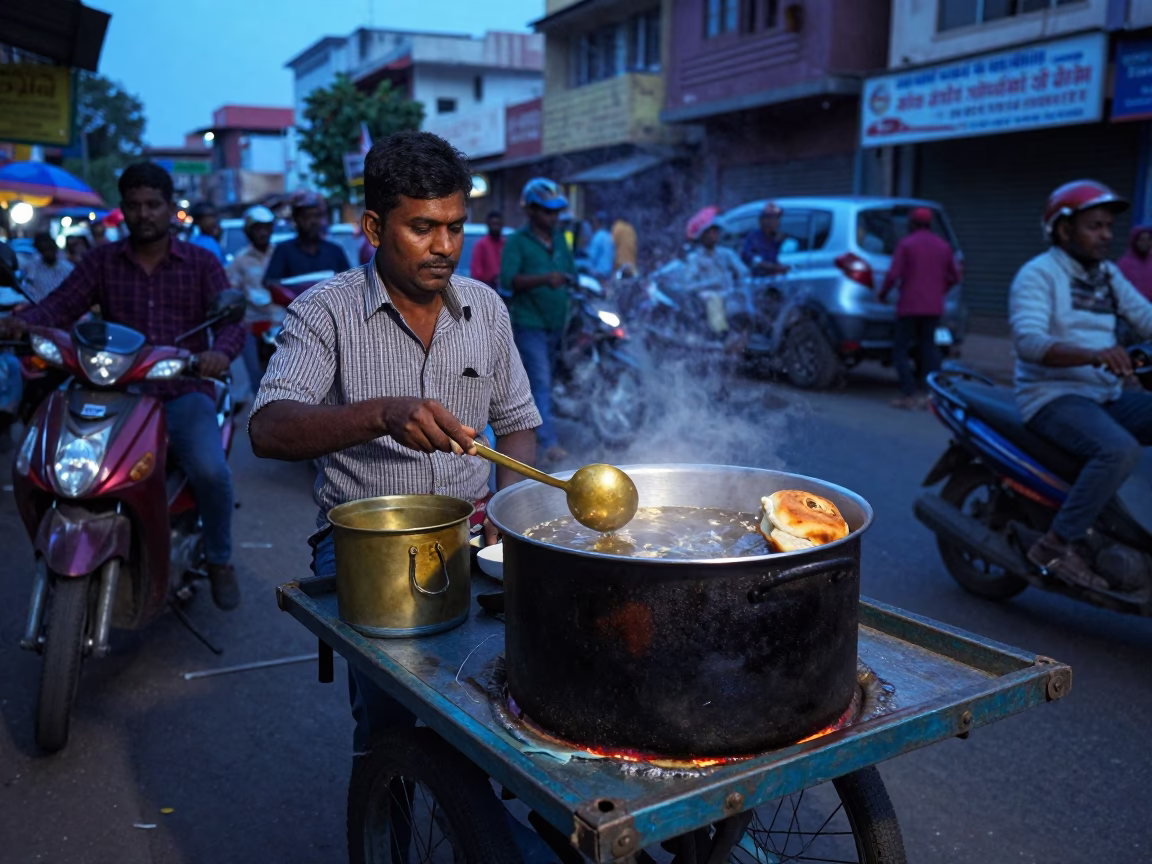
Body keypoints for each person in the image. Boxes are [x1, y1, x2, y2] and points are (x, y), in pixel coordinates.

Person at [247, 130, 540, 754]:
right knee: (392, 716)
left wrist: (506, 519)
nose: (444, 248)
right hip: (361, 541)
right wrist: (381, 413)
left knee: (506, 691)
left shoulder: (486, 310)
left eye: (455, 228)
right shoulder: (324, 311)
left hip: (471, 533)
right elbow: (267, 429)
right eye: (423, 228)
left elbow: (517, 424)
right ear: (375, 229)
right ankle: (388, 803)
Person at [0, 162, 245, 609]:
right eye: (134, 205)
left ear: (170, 209)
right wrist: (21, 324)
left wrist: (219, 355)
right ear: (123, 210)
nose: (144, 213)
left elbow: (232, 326)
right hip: (115, 393)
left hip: (181, 391)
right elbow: (59, 306)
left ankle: (219, 559)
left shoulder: (202, 262)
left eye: (153, 204)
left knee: (211, 471)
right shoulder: (101, 261)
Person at [1009, 180, 1152, 590]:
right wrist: (1094, 355)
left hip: (1103, 395)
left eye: (1109, 226)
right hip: (1051, 396)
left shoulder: (1107, 275)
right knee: (1118, 450)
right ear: (1063, 229)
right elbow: (1030, 343)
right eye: (1095, 226)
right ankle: (1054, 545)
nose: (1107, 235)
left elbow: (1145, 317)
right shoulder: (1038, 274)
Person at [500, 177, 576, 465]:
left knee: (550, 381)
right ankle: (549, 443)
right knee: (541, 382)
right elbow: (508, 281)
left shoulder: (559, 239)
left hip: (558, 323)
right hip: (529, 323)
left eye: (555, 212)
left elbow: (570, 270)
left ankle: (543, 430)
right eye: (547, 211)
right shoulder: (517, 242)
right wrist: (545, 279)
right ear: (531, 210)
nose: (553, 217)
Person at [877, 207, 960, 410]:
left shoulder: (906, 244)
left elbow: (893, 275)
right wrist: (940, 290)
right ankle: (931, 394)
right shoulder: (943, 246)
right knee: (928, 348)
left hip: (909, 306)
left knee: (901, 349)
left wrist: (882, 294)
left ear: (911, 224)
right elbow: (955, 277)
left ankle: (908, 394)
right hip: (933, 307)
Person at [227, 205, 281, 388]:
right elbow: (232, 294)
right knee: (258, 381)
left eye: (266, 228)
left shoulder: (281, 254)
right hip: (253, 327)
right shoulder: (239, 260)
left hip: (282, 324)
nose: (262, 233)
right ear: (248, 232)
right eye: (257, 228)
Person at [263, 190, 351, 289]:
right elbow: (272, 284)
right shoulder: (283, 251)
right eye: (307, 216)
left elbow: (349, 285)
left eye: (316, 216)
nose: (313, 221)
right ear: (296, 219)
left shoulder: (335, 251)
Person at [739, 202, 791, 276]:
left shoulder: (776, 238)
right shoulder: (754, 238)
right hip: (756, 280)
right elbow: (750, 259)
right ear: (763, 220)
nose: (777, 222)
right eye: (773, 218)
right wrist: (774, 267)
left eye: (777, 218)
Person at [23, 231, 74, 302]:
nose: (48, 253)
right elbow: (28, 291)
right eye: (44, 250)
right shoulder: (33, 269)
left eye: (50, 249)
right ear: (40, 251)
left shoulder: (68, 268)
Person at [470, 209, 505, 290]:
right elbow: (476, 273)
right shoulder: (481, 245)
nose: (496, 227)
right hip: (487, 289)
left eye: (498, 224)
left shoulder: (505, 244)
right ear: (488, 225)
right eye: (493, 224)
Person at [1116, 224, 1152, 301]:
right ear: (1135, 242)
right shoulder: (1124, 264)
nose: (1145, 243)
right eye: (1142, 240)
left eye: (1148, 239)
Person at [587, 210, 616, 278]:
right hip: (608, 273)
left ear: (597, 222)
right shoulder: (609, 236)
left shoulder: (598, 237)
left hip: (598, 273)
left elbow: (591, 257)